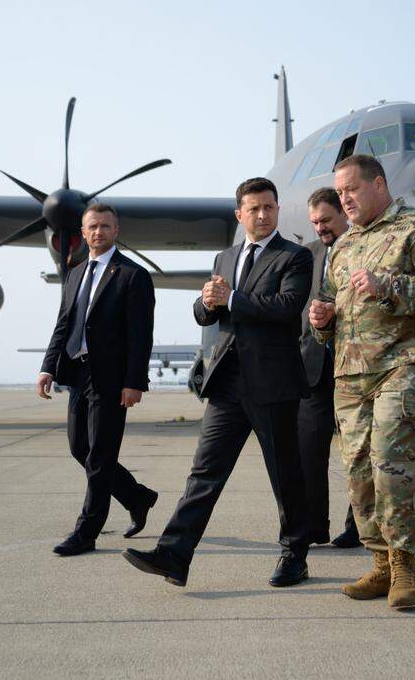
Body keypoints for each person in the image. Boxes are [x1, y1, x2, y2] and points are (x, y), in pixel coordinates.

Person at [123, 177, 313, 588]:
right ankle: (174, 554)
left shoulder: (294, 256)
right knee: (204, 473)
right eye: (255, 209)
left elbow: (287, 308)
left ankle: (294, 555)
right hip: (227, 384)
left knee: (285, 476)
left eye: (270, 207)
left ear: (277, 210)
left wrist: (231, 300)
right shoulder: (225, 257)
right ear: (239, 214)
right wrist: (206, 302)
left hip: (273, 384)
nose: (263, 215)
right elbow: (207, 314)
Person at [309, 154, 415, 611]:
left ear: (378, 184)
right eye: (340, 193)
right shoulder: (343, 246)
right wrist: (322, 319)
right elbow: (334, 308)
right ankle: (379, 564)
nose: (346, 200)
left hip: (408, 364)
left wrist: (391, 285)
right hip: (353, 372)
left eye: (352, 190)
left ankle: (404, 564)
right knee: (358, 472)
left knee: (394, 464)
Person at [38, 204, 158, 556]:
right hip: (77, 372)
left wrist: (134, 381)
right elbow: (63, 324)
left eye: (106, 226)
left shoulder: (133, 275)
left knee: (101, 456)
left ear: (116, 230)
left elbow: (141, 335)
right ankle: (137, 496)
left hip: (112, 378)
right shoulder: (75, 273)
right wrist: (48, 367)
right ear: (83, 230)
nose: (99, 231)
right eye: (93, 226)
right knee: (81, 449)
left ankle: (86, 532)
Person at [297, 187, 360, 548]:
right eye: (315, 222)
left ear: (344, 214)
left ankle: (356, 527)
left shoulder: (366, 248)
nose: (320, 227)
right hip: (314, 371)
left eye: (326, 220)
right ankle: (313, 526)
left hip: (356, 368)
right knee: (308, 453)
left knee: (356, 455)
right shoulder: (309, 255)